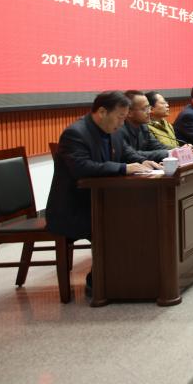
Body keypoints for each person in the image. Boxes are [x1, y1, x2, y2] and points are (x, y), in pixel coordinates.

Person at [46, 92, 160, 283]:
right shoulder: (75, 133)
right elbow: (82, 168)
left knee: (141, 215)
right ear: (102, 112)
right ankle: (100, 281)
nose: (122, 123)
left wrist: (145, 163)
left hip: (103, 202)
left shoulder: (113, 131)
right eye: (120, 117)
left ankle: (134, 275)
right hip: (75, 208)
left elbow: (128, 154)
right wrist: (123, 168)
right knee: (119, 222)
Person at [119, 90, 172, 162]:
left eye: (149, 107)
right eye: (145, 109)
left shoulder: (143, 126)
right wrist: (168, 153)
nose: (149, 111)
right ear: (129, 113)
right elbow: (130, 155)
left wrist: (178, 150)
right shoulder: (119, 129)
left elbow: (157, 146)